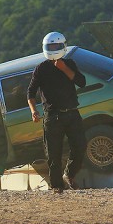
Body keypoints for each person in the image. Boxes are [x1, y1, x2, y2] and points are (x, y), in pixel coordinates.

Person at [27, 32, 87, 194]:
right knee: (53, 153)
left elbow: (81, 82)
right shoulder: (41, 68)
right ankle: (57, 186)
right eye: (50, 46)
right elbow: (30, 93)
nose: (54, 49)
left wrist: (64, 68)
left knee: (80, 145)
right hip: (52, 116)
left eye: (56, 46)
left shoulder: (70, 63)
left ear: (62, 46)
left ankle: (69, 174)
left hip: (72, 113)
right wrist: (34, 111)